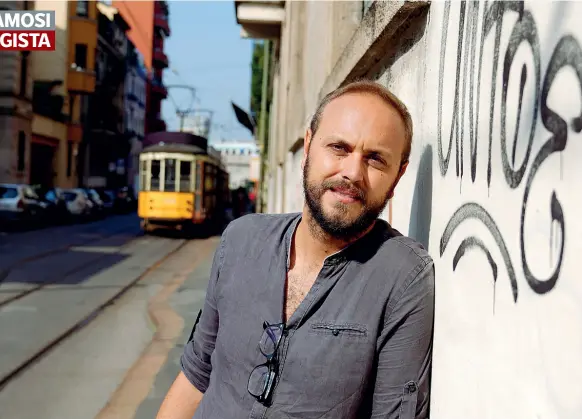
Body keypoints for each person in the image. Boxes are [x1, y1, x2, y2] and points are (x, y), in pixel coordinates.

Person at [156, 80, 435, 419]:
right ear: (308, 146)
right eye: (339, 148)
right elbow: (196, 374)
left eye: (375, 159)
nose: (352, 172)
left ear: (398, 176)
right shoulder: (241, 240)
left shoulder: (403, 277)